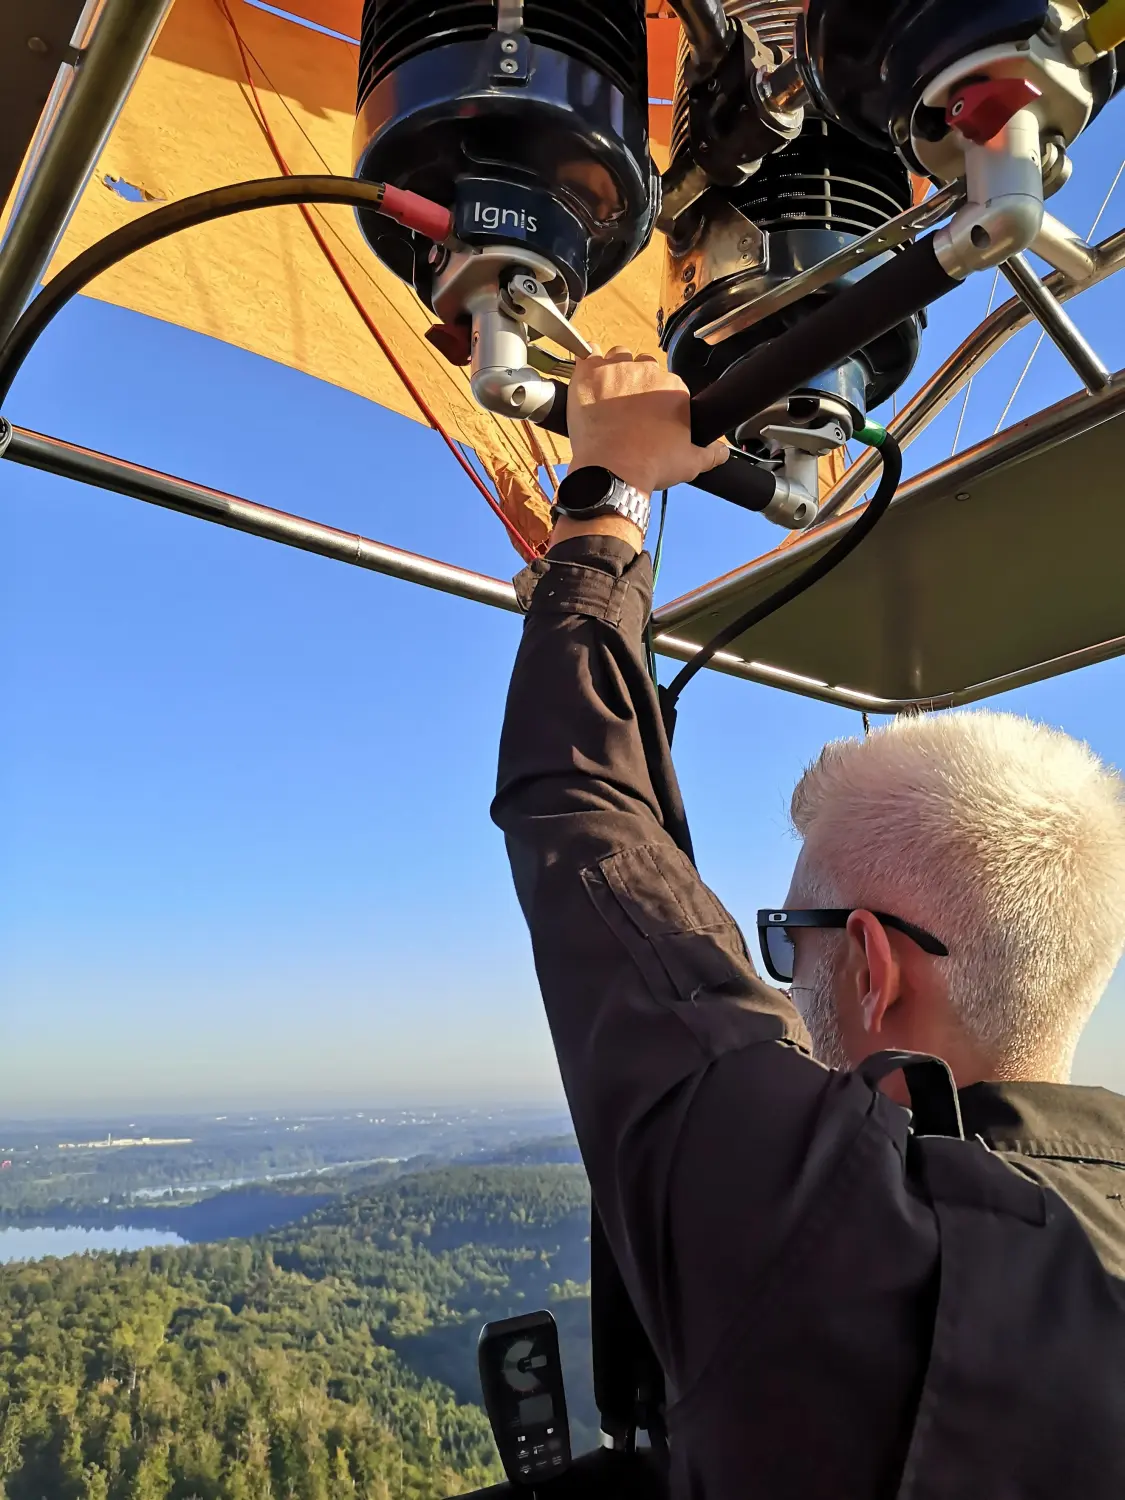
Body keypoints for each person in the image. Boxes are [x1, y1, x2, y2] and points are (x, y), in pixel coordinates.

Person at [492, 349, 1125, 1498]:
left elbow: (591, 837)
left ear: (875, 968)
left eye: (791, 941)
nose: (780, 984)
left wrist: (606, 509)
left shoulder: (833, 1236)